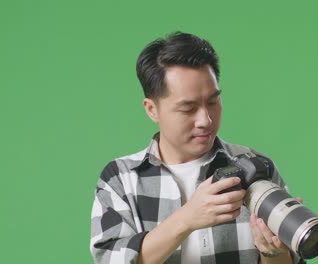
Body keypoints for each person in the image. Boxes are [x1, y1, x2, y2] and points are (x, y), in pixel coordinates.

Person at [90, 32, 303, 264]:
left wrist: (274, 252)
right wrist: (186, 219)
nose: (206, 120)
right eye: (188, 108)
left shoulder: (257, 166)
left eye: (212, 102)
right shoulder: (121, 178)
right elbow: (110, 260)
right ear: (152, 109)